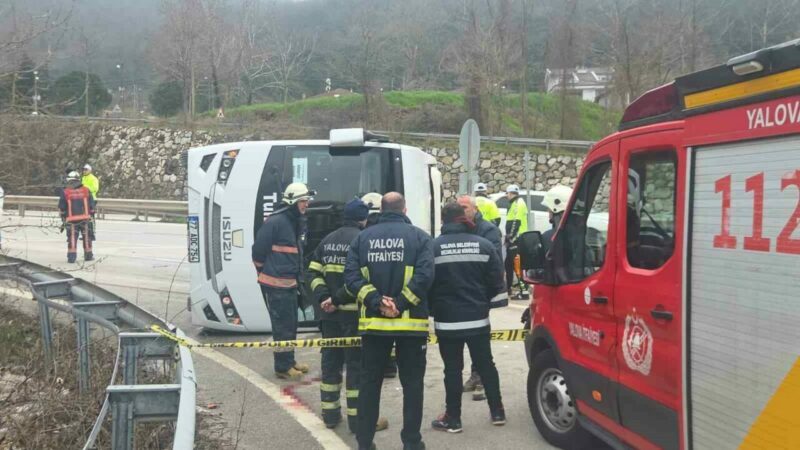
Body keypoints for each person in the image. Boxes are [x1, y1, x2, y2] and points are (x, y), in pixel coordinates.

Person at [345, 192, 434, 450]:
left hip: (374, 327)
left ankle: (364, 442)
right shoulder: (420, 238)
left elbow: (351, 278)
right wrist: (401, 304)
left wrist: (376, 302)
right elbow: (426, 276)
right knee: (412, 385)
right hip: (411, 327)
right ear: (404, 209)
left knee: (370, 384)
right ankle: (412, 442)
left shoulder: (362, 239)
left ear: (381, 210)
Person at [307, 198, 389, 433]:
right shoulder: (363, 241)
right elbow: (362, 281)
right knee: (357, 367)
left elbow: (312, 273)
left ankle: (331, 415)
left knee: (330, 364)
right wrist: (337, 299)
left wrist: (324, 298)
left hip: (329, 317)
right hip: (354, 317)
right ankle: (358, 421)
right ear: (363, 219)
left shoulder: (328, 240)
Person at [430, 203, 507, 433]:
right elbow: (497, 280)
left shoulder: (433, 248)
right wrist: (481, 301)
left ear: (443, 221)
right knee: (486, 365)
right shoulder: (483, 245)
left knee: (452, 370)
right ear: (463, 218)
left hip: (447, 321)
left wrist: (434, 308)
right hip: (477, 320)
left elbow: (426, 283)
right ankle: (497, 412)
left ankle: (453, 419)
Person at [252, 182, 315, 380]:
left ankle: (290, 361)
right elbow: (258, 252)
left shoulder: (294, 221)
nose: (306, 205)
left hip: (289, 283)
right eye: (303, 201)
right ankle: (282, 367)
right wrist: (266, 271)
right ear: (293, 202)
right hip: (277, 285)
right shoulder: (276, 222)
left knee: (290, 325)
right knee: (282, 327)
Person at [456, 194, 506, 400]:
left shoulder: (489, 230)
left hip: (480, 292)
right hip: (463, 291)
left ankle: (482, 380)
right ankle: (475, 376)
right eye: (458, 207)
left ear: (475, 209)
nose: (461, 211)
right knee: (466, 337)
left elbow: (493, 262)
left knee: (479, 340)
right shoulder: (459, 227)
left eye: (465, 207)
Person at [361, 191, 399, 380]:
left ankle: (383, 365)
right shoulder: (395, 230)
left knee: (377, 335)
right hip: (394, 291)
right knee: (392, 329)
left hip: (371, 295)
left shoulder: (365, 234)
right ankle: (391, 365)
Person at [58, 171, 95, 263]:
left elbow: (62, 207)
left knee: (72, 238)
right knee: (87, 237)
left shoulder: (65, 192)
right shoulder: (86, 190)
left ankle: (71, 258)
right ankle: (88, 256)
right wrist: (91, 214)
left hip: (71, 220)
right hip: (85, 219)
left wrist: (63, 217)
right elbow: (92, 205)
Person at [504, 184, 528, 300]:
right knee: (508, 264)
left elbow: (516, 222)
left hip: (517, 239)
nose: (506, 196)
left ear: (511, 193)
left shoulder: (518, 203)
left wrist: (511, 237)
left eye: (507, 194)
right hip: (513, 239)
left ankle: (524, 291)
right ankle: (508, 288)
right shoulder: (514, 204)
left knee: (517, 265)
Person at [81, 164, 100, 241]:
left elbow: (95, 189)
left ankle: (92, 235)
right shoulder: (83, 178)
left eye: (86, 169)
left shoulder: (94, 178)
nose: (84, 171)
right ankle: (85, 234)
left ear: (90, 170)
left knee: (90, 218)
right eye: (83, 169)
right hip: (83, 199)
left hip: (92, 200)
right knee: (83, 218)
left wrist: (86, 188)